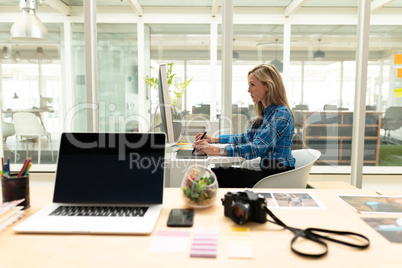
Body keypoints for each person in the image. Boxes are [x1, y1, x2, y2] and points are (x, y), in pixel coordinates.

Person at [193, 64, 295, 188]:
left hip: (277, 176)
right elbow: (247, 137)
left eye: (252, 85)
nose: (248, 90)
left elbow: (256, 148)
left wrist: (215, 150)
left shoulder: (281, 114)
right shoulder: (267, 114)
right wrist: (214, 140)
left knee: (215, 175)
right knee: (215, 173)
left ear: (267, 86)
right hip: (268, 172)